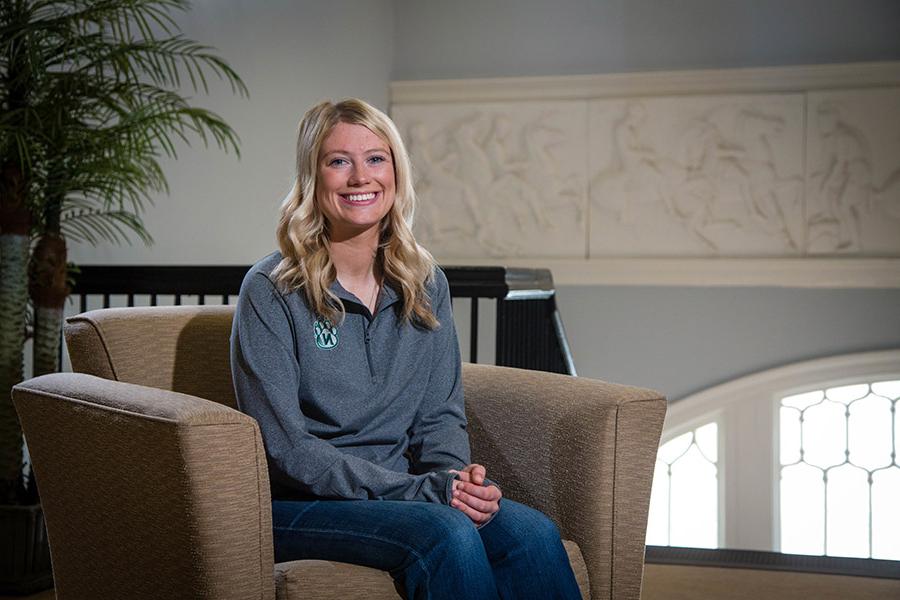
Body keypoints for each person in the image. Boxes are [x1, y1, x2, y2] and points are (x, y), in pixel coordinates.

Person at [230, 98, 581, 600]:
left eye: (376, 158)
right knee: (447, 534)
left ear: (395, 172)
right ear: (313, 177)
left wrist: (457, 480)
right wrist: (422, 493)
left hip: (404, 495)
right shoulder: (271, 290)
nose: (360, 177)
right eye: (338, 161)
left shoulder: (424, 282)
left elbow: (439, 415)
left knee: (532, 534)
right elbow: (287, 450)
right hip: (299, 503)